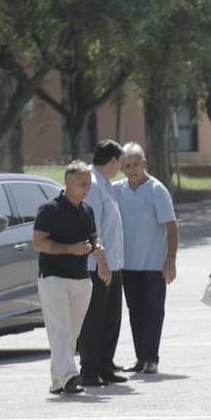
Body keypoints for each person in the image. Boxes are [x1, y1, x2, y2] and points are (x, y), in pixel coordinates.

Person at [32, 161, 102, 395]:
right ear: (68, 183)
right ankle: (71, 378)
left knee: (71, 333)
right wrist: (69, 249)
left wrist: (101, 258)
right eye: (82, 184)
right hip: (53, 278)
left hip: (81, 278)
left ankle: (57, 381)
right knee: (60, 330)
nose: (87, 188)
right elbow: (39, 243)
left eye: (89, 184)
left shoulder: (87, 210)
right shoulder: (49, 209)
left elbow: (94, 240)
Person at [115, 143, 178, 376]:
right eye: (127, 166)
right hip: (127, 264)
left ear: (145, 164)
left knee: (152, 311)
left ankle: (152, 358)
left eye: (135, 164)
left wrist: (170, 259)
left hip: (153, 264)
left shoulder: (156, 190)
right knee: (135, 311)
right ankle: (141, 358)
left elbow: (171, 227)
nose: (132, 170)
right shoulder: (117, 190)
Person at [76, 140, 127, 387]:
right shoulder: (93, 185)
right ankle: (89, 370)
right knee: (94, 320)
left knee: (111, 318)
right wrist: (102, 262)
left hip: (113, 263)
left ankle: (106, 366)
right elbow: (92, 228)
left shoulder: (105, 184)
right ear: (113, 162)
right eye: (120, 163)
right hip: (97, 265)